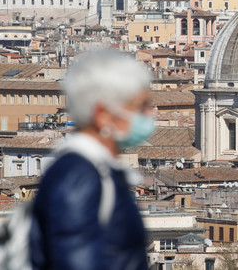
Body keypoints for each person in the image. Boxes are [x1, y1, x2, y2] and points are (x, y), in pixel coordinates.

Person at [30, 50, 154, 270]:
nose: (151, 114)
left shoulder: (94, 171)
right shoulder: (78, 176)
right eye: (140, 106)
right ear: (103, 114)